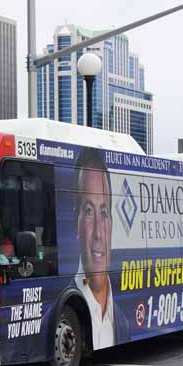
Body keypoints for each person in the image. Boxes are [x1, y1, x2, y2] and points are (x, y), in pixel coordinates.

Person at [72, 148, 129, 349]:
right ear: (75, 221)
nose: (98, 233)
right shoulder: (61, 307)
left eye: (104, 213)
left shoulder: (124, 321)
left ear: (112, 222)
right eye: (88, 211)